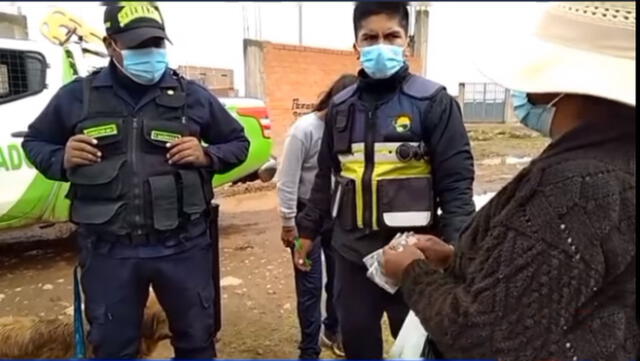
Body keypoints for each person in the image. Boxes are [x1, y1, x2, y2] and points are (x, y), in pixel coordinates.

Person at [383, 2, 637, 360]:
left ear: (550, 85)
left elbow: (481, 338)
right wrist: (460, 260)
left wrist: (411, 270)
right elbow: (557, 276)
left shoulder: (575, 188)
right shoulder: (617, 162)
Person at [22, 2, 249, 359]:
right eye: (138, 45)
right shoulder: (78, 96)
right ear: (112, 44)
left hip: (183, 247)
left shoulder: (192, 96)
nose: (151, 53)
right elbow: (35, 142)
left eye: (157, 43)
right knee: (113, 348)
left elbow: (238, 143)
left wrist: (208, 155)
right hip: (110, 251)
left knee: (196, 341)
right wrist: (60, 157)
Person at [295, 2, 476, 359]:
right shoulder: (341, 108)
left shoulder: (434, 103)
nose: (381, 45)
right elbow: (325, 178)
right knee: (358, 344)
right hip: (350, 255)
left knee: (417, 348)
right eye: (370, 37)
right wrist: (306, 232)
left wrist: (457, 252)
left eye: (391, 36)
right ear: (356, 46)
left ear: (406, 42)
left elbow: (456, 188)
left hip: (413, 255)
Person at [276, 74, 358, 360]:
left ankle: (333, 331)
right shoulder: (304, 130)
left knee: (340, 281)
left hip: (337, 218)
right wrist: (288, 224)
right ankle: (308, 350)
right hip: (302, 220)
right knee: (309, 285)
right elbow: (287, 181)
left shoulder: (349, 129)